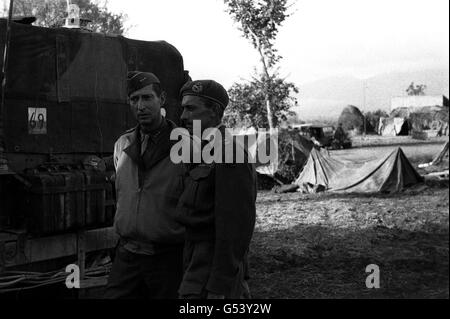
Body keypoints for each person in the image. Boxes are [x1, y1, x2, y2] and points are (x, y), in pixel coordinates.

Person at [104, 71, 186, 299]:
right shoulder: (123, 144)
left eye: (147, 98)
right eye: (134, 99)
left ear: (162, 99)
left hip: (167, 258)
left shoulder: (187, 146)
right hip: (127, 256)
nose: (140, 106)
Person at [176, 79, 257, 299]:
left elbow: (236, 226)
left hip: (210, 264)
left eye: (191, 108)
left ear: (214, 111)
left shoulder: (230, 153)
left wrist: (220, 285)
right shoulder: (204, 150)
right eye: (183, 108)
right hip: (195, 256)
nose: (183, 116)